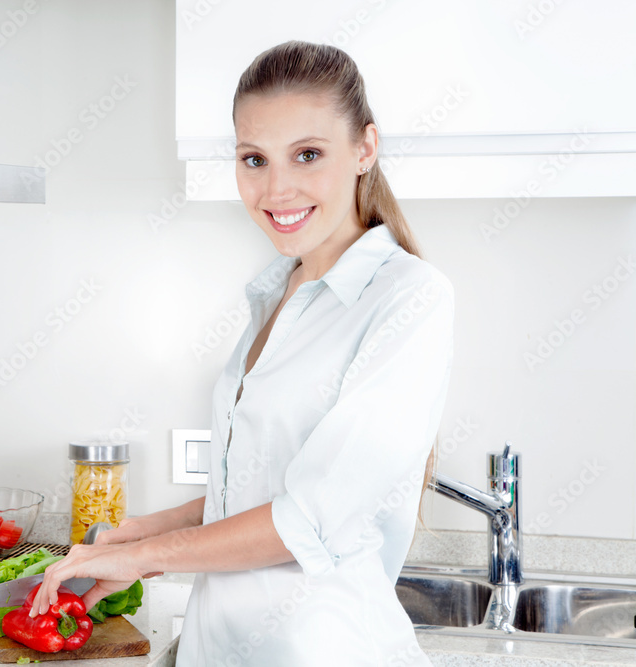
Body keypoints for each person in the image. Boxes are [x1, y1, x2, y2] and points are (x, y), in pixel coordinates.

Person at [30, 41, 454, 666]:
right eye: (254, 159)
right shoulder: (277, 290)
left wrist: (142, 556)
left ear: (365, 149)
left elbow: (309, 516)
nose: (276, 188)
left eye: (307, 154)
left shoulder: (411, 298)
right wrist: (150, 531)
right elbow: (260, 479)